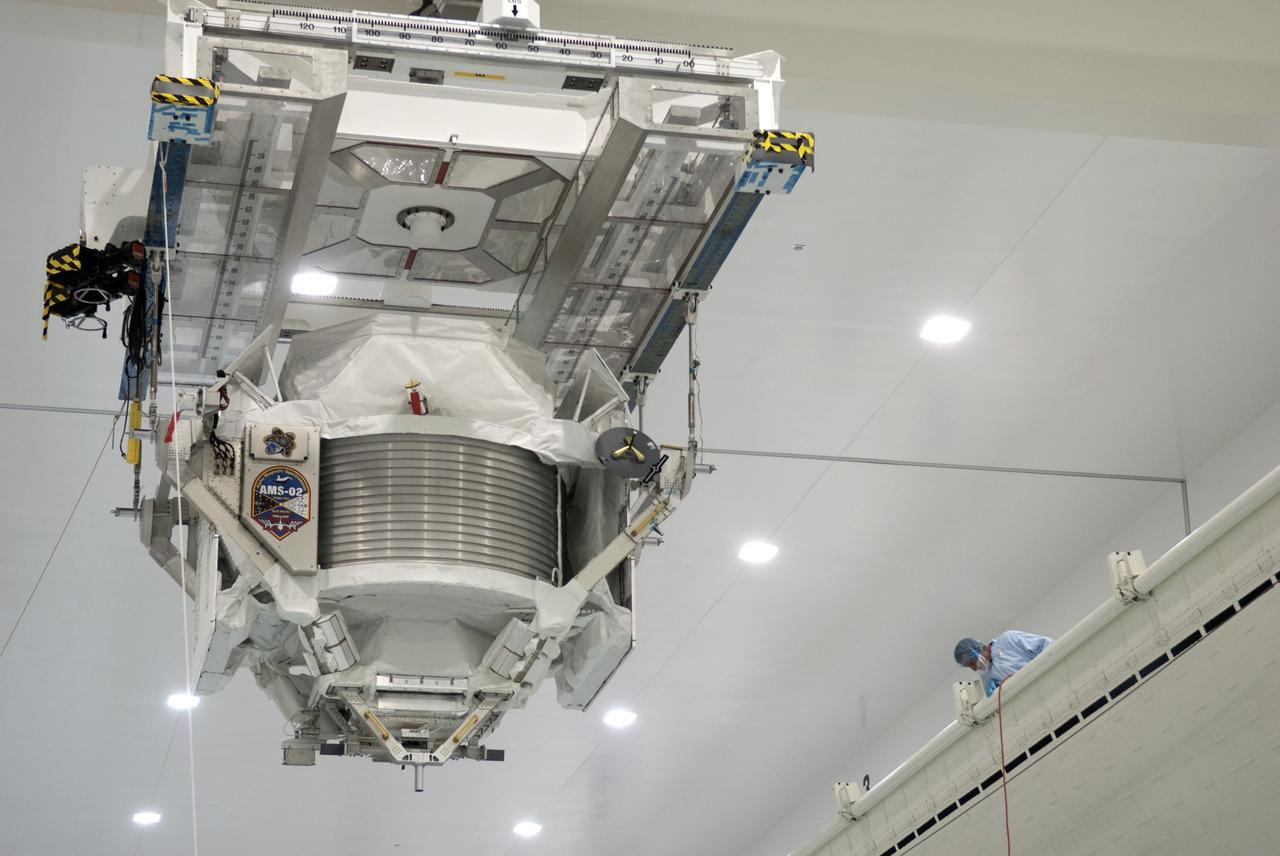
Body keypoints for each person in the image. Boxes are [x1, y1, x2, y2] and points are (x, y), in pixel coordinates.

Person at [953, 631, 1054, 696]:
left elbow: (1048, 645)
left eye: (972, 663)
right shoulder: (987, 677)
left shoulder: (1008, 639)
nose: (974, 668)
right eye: (969, 667)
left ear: (977, 650)